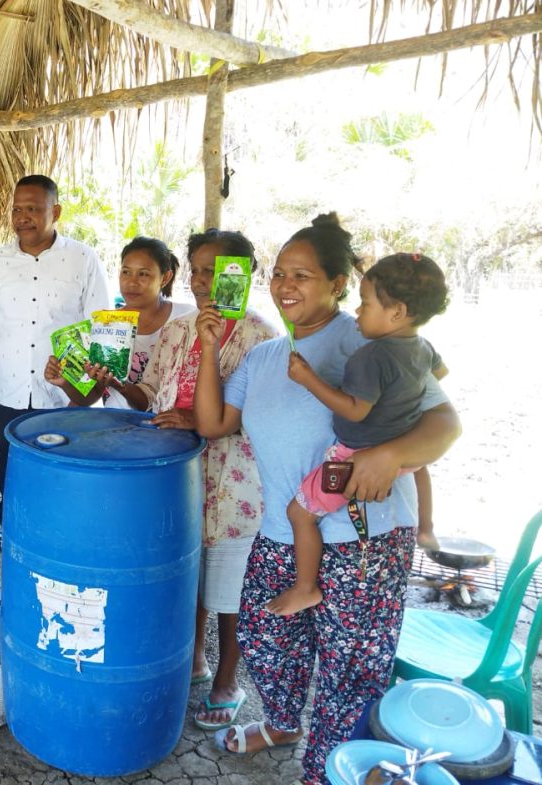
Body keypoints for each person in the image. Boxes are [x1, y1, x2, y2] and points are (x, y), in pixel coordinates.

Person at [193, 213, 460, 785]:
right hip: (280, 531)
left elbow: (446, 422)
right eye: (280, 273)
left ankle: (329, 770)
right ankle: (285, 723)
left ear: (338, 284)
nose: (285, 285)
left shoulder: (368, 341)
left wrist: (390, 457)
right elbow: (213, 423)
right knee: (266, 643)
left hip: (364, 539)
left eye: (304, 275)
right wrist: (210, 348)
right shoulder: (265, 356)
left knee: (349, 671)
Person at [89, 229, 276, 732]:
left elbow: (261, 414)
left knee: (229, 591)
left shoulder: (262, 337)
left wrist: (200, 420)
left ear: (244, 275)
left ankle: (227, 684)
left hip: (233, 484)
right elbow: (149, 394)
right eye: (197, 269)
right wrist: (116, 384)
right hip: (176, 477)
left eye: (216, 271)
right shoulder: (178, 328)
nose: (202, 281)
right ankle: (194, 660)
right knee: (186, 579)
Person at [0, 175, 111, 617]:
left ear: (56, 212)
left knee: (64, 494)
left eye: (32, 208)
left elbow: (101, 326)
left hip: (64, 401)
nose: (22, 217)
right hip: (10, 395)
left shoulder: (83, 260)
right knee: (12, 493)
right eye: (16, 209)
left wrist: (90, 385)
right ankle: (15, 585)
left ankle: (63, 586)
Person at [270, 251, 450, 616]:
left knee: (300, 513)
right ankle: (426, 528)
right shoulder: (422, 347)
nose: (357, 312)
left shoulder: (371, 356)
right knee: (420, 467)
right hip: (401, 453)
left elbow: (354, 408)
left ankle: (305, 588)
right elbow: (440, 374)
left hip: (353, 459)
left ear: (397, 312)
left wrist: (309, 380)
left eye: (365, 304)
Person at [43, 236, 190, 406]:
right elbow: (90, 397)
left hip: (165, 428)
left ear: (165, 278)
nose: (131, 282)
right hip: (115, 424)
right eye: (126, 272)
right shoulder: (105, 326)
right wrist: (65, 383)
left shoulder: (185, 318)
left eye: (143, 274)